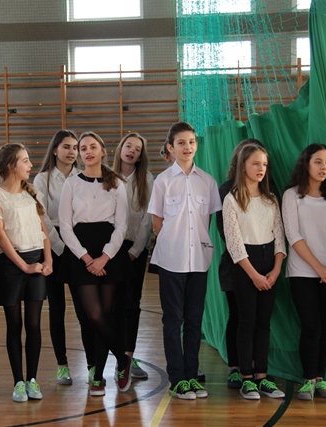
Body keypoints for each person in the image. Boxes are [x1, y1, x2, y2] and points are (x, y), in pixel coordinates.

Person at [148, 122, 220, 400]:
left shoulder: (208, 181)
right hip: (171, 261)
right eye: (181, 143)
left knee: (194, 320)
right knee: (172, 321)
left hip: (199, 261)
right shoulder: (163, 181)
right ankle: (177, 379)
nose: (187, 147)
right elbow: (157, 222)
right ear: (171, 147)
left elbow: (207, 220)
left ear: (196, 145)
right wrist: (174, 244)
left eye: (191, 142)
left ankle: (192, 375)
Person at [58, 131, 133, 397]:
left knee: (107, 315)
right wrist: (86, 257)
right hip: (81, 254)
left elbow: (122, 225)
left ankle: (98, 376)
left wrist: (105, 256)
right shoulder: (71, 183)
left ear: (102, 150)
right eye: (83, 148)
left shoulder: (117, 183)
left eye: (92, 147)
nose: (87, 152)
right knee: (94, 316)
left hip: (109, 252)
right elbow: (65, 226)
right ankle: (123, 359)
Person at [0, 143, 52, 402]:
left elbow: (43, 229)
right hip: (11, 265)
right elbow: (0, 236)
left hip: (36, 261)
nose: (30, 165)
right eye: (25, 160)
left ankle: (33, 379)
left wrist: (48, 259)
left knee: (34, 324)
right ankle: (18, 382)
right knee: (14, 325)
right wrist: (23, 266)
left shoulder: (32, 194)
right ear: (11, 166)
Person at [281, 144, 326, 401]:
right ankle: (308, 380)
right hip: (302, 272)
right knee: (311, 326)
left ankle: (321, 377)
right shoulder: (291, 195)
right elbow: (293, 235)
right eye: (318, 161)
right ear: (306, 163)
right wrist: (319, 268)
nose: (323, 167)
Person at [222, 143, 286, 401]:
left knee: (263, 323)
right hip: (245, 267)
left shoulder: (271, 200)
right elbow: (234, 244)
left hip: (269, 263)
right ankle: (246, 378)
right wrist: (254, 275)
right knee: (247, 322)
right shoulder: (232, 199)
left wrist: (276, 270)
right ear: (243, 167)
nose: (261, 169)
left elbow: (279, 237)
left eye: (264, 164)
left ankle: (262, 375)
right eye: (255, 164)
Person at [34, 130, 95, 385]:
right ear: (55, 150)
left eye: (74, 147)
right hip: (53, 245)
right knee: (56, 307)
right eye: (66, 147)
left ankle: (92, 364)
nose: (71, 152)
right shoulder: (42, 179)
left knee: (84, 309)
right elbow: (41, 217)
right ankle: (62, 365)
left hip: (79, 244)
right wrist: (59, 246)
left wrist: (77, 247)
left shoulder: (84, 176)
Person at [112, 132, 153, 380]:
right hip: (110, 250)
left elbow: (147, 219)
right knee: (112, 305)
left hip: (135, 251)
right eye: (129, 146)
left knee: (131, 304)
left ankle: (128, 356)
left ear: (140, 156)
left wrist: (136, 250)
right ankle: (114, 355)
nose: (131, 151)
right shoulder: (108, 176)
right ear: (120, 148)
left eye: (137, 149)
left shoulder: (146, 179)